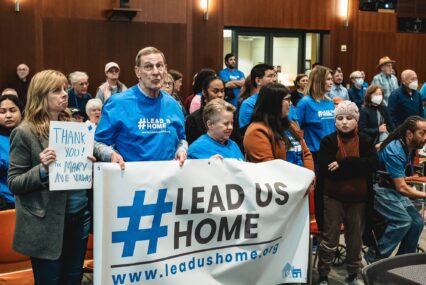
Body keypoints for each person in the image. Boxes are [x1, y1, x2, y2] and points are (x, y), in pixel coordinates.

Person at [8, 70, 93, 284]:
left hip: (79, 215)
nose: (65, 94)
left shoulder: (74, 125)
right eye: (57, 91)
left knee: (73, 278)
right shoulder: (24, 132)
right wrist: (43, 170)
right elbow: (14, 182)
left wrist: (91, 160)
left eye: (65, 89)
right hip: (46, 221)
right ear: (41, 95)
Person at [317, 101, 378, 285]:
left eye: (349, 118)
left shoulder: (366, 141)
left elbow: (373, 164)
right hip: (332, 198)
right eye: (340, 118)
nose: (344, 122)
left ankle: (352, 274)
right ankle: (323, 275)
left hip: (358, 200)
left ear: (356, 120)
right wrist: (357, 166)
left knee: (355, 240)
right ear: (335, 121)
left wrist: (345, 163)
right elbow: (329, 172)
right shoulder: (328, 141)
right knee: (329, 239)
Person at [95, 46, 187, 165]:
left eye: (159, 66)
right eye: (148, 66)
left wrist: (181, 150)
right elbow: (97, 143)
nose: (155, 72)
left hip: (168, 180)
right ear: (138, 72)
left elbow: (181, 139)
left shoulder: (174, 105)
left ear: (165, 69)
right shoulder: (117, 103)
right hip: (130, 179)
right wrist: (111, 155)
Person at [364, 116, 426, 264]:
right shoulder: (396, 150)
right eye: (422, 133)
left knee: (417, 222)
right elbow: (402, 187)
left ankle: (402, 263)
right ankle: (372, 259)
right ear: (409, 134)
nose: (425, 138)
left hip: (391, 189)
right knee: (402, 221)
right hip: (378, 189)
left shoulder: (407, 146)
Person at [244, 83, 314, 171]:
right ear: (274, 102)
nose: (291, 103)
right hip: (281, 182)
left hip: (303, 180)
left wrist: (309, 178)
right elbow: (269, 168)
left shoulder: (291, 125)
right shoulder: (257, 131)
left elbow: (306, 154)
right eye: (287, 99)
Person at [185, 75, 242, 150]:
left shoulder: (231, 114)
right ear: (204, 93)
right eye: (215, 91)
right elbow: (193, 150)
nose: (220, 95)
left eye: (222, 91)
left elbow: (238, 143)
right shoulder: (193, 119)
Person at [296, 65, 336, 173]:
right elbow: (295, 129)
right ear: (318, 80)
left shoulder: (330, 102)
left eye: (331, 79)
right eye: (328, 79)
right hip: (314, 153)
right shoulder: (305, 103)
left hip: (331, 151)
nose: (331, 82)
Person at [239, 63, 277, 133]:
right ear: (258, 81)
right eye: (270, 76)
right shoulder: (248, 104)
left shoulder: (282, 99)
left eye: (275, 76)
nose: (275, 79)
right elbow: (246, 132)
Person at [0, 95, 23, 210]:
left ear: (21, 112)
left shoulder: (30, 134)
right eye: (2, 112)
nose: (8, 115)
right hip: (6, 202)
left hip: (32, 200)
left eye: (13, 110)